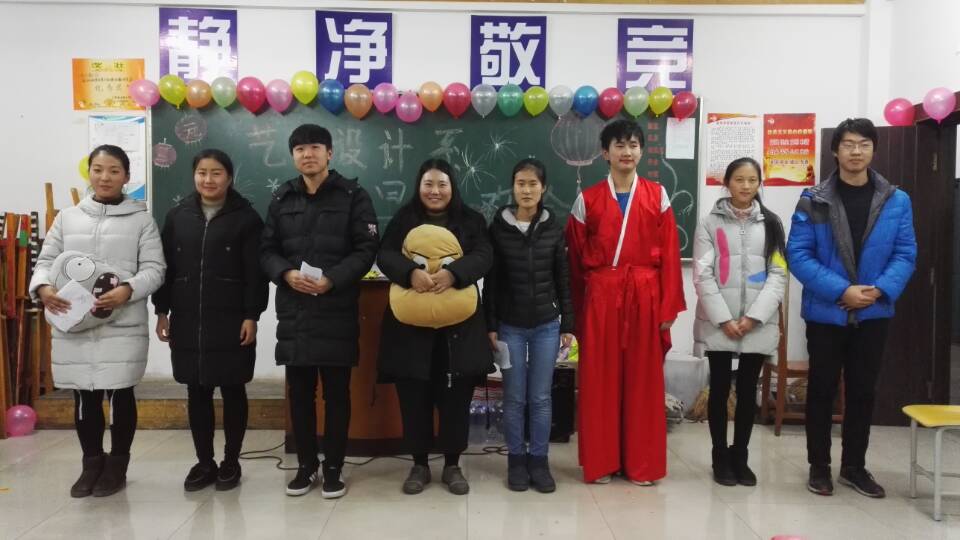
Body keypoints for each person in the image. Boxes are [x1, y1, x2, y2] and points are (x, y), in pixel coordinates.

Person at [787, 118, 916, 498]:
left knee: (863, 391)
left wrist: (878, 290)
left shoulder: (896, 200)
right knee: (821, 391)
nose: (856, 151)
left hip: (873, 312)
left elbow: (905, 253)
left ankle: (854, 467)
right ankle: (819, 468)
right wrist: (843, 290)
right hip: (826, 313)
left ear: (873, 149)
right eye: (848, 144)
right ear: (835, 150)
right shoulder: (814, 198)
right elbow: (798, 254)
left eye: (863, 144)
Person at [30, 144, 165, 497]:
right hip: (74, 323)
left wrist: (128, 290)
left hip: (122, 322)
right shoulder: (67, 218)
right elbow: (46, 261)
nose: (105, 177)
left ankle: (117, 466)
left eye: (114, 170)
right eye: (98, 169)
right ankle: (91, 463)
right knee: (84, 397)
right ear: (89, 172)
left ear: (127, 177)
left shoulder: (141, 221)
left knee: (120, 395)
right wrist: (43, 287)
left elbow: (155, 269)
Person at [260, 124, 379, 498]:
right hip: (294, 311)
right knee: (299, 394)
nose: (307, 154)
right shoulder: (282, 198)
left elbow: (366, 249)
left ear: (330, 153)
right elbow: (266, 250)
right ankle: (306, 466)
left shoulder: (353, 196)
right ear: (293, 156)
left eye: (314, 147)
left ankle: (334, 468)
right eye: (299, 149)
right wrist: (285, 273)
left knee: (337, 395)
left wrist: (332, 279)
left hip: (336, 308)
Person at [565, 118, 685, 485]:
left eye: (633, 145)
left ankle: (641, 464)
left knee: (642, 382)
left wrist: (667, 307)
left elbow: (670, 254)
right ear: (605, 152)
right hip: (601, 296)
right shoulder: (587, 200)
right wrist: (578, 312)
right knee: (600, 380)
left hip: (645, 296)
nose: (627, 152)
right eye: (619, 145)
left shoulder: (657, 195)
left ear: (641, 151)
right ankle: (602, 462)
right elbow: (574, 262)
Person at [153, 149, 268, 492]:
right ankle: (204, 462)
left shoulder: (247, 219)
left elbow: (256, 274)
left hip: (231, 319)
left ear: (229, 177)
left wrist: (252, 315)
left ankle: (231, 461)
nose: (208, 179)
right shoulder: (178, 216)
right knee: (196, 389)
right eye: (202, 172)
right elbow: (165, 268)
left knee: (233, 388)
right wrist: (161, 310)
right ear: (194, 176)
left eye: (216, 172)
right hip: (188, 317)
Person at [377, 158, 493, 496]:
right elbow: (385, 254)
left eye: (442, 184)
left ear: (452, 187)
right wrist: (409, 272)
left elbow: (484, 255)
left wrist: (454, 273)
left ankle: (453, 464)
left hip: (459, 332)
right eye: (428, 184)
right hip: (410, 332)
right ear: (419, 186)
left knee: (456, 399)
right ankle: (419, 464)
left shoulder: (471, 220)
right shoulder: (404, 218)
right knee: (414, 398)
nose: (435, 191)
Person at [692, 157, 786, 487]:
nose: (746, 186)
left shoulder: (772, 223)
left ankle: (740, 456)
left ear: (759, 183)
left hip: (757, 322)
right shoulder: (709, 224)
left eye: (752, 180)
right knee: (719, 390)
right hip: (720, 321)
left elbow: (779, 273)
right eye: (739, 179)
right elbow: (702, 273)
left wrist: (754, 317)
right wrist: (724, 319)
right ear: (727, 183)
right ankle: (720, 456)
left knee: (748, 391)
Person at [483, 158, 574, 493]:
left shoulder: (553, 227)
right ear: (513, 187)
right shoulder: (498, 229)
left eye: (533, 184)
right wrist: (491, 324)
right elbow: (491, 281)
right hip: (510, 326)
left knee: (540, 398)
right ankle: (516, 461)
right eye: (520, 183)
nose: (526, 190)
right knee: (514, 398)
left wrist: (568, 323)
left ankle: (539, 460)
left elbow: (563, 278)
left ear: (543, 188)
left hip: (546, 326)